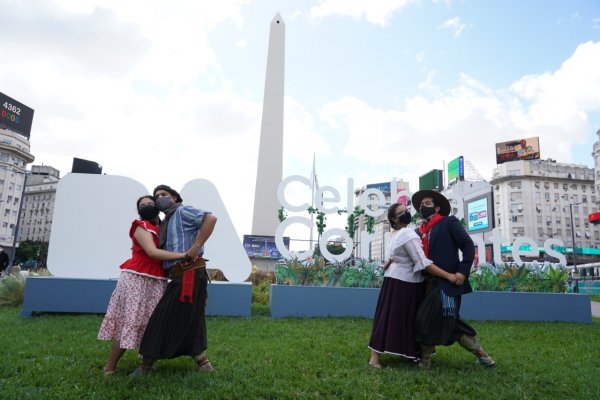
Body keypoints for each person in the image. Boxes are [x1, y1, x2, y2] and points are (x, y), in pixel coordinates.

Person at [131, 184, 217, 376]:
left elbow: (210, 218)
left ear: (175, 198)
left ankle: (146, 365)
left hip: (189, 272)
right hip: (181, 273)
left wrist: (196, 247)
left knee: (162, 316)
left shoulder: (182, 211)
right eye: (156, 196)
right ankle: (204, 364)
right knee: (189, 317)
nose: (159, 198)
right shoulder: (166, 221)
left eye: (164, 194)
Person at [97, 195, 187, 376]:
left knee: (152, 323)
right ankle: (110, 367)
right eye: (142, 205)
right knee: (131, 321)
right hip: (137, 279)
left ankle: (147, 363)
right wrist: (184, 255)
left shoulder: (161, 228)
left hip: (156, 279)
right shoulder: (141, 227)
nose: (146, 206)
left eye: (150, 203)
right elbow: (152, 253)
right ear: (139, 211)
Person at [412, 190, 496, 368]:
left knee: (425, 318)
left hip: (448, 284)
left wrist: (462, 272)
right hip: (425, 284)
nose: (422, 207)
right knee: (451, 322)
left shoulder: (448, 222)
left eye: (427, 203)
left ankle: (425, 361)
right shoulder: (417, 232)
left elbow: (467, 245)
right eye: (421, 205)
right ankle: (484, 356)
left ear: (437, 207)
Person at [368, 203, 459, 369]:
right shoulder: (409, 234)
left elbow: (393, 256)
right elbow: (422, 262)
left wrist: (389, 263)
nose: (406, 213)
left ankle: (388, 356)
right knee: (407, 319)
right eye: (402, 212)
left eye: (406, 210)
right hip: (405, 283)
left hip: (393, 280)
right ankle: (384, 357)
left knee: (387, 317)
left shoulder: (395, 234)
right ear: (395, 219)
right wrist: (449, 276)